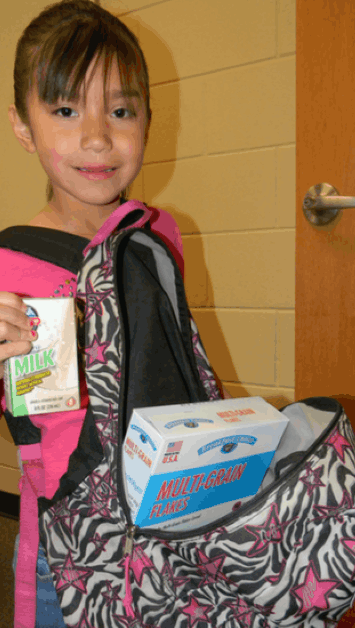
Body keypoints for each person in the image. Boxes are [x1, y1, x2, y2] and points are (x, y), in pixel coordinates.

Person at [1, 2, 186, 625]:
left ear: (148, 123)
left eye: (121, 110)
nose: (98, 137)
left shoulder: (157, 238)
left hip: (169, 522)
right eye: (64, 110)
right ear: (23, 128)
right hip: (68, 543)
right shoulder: (7, 264)